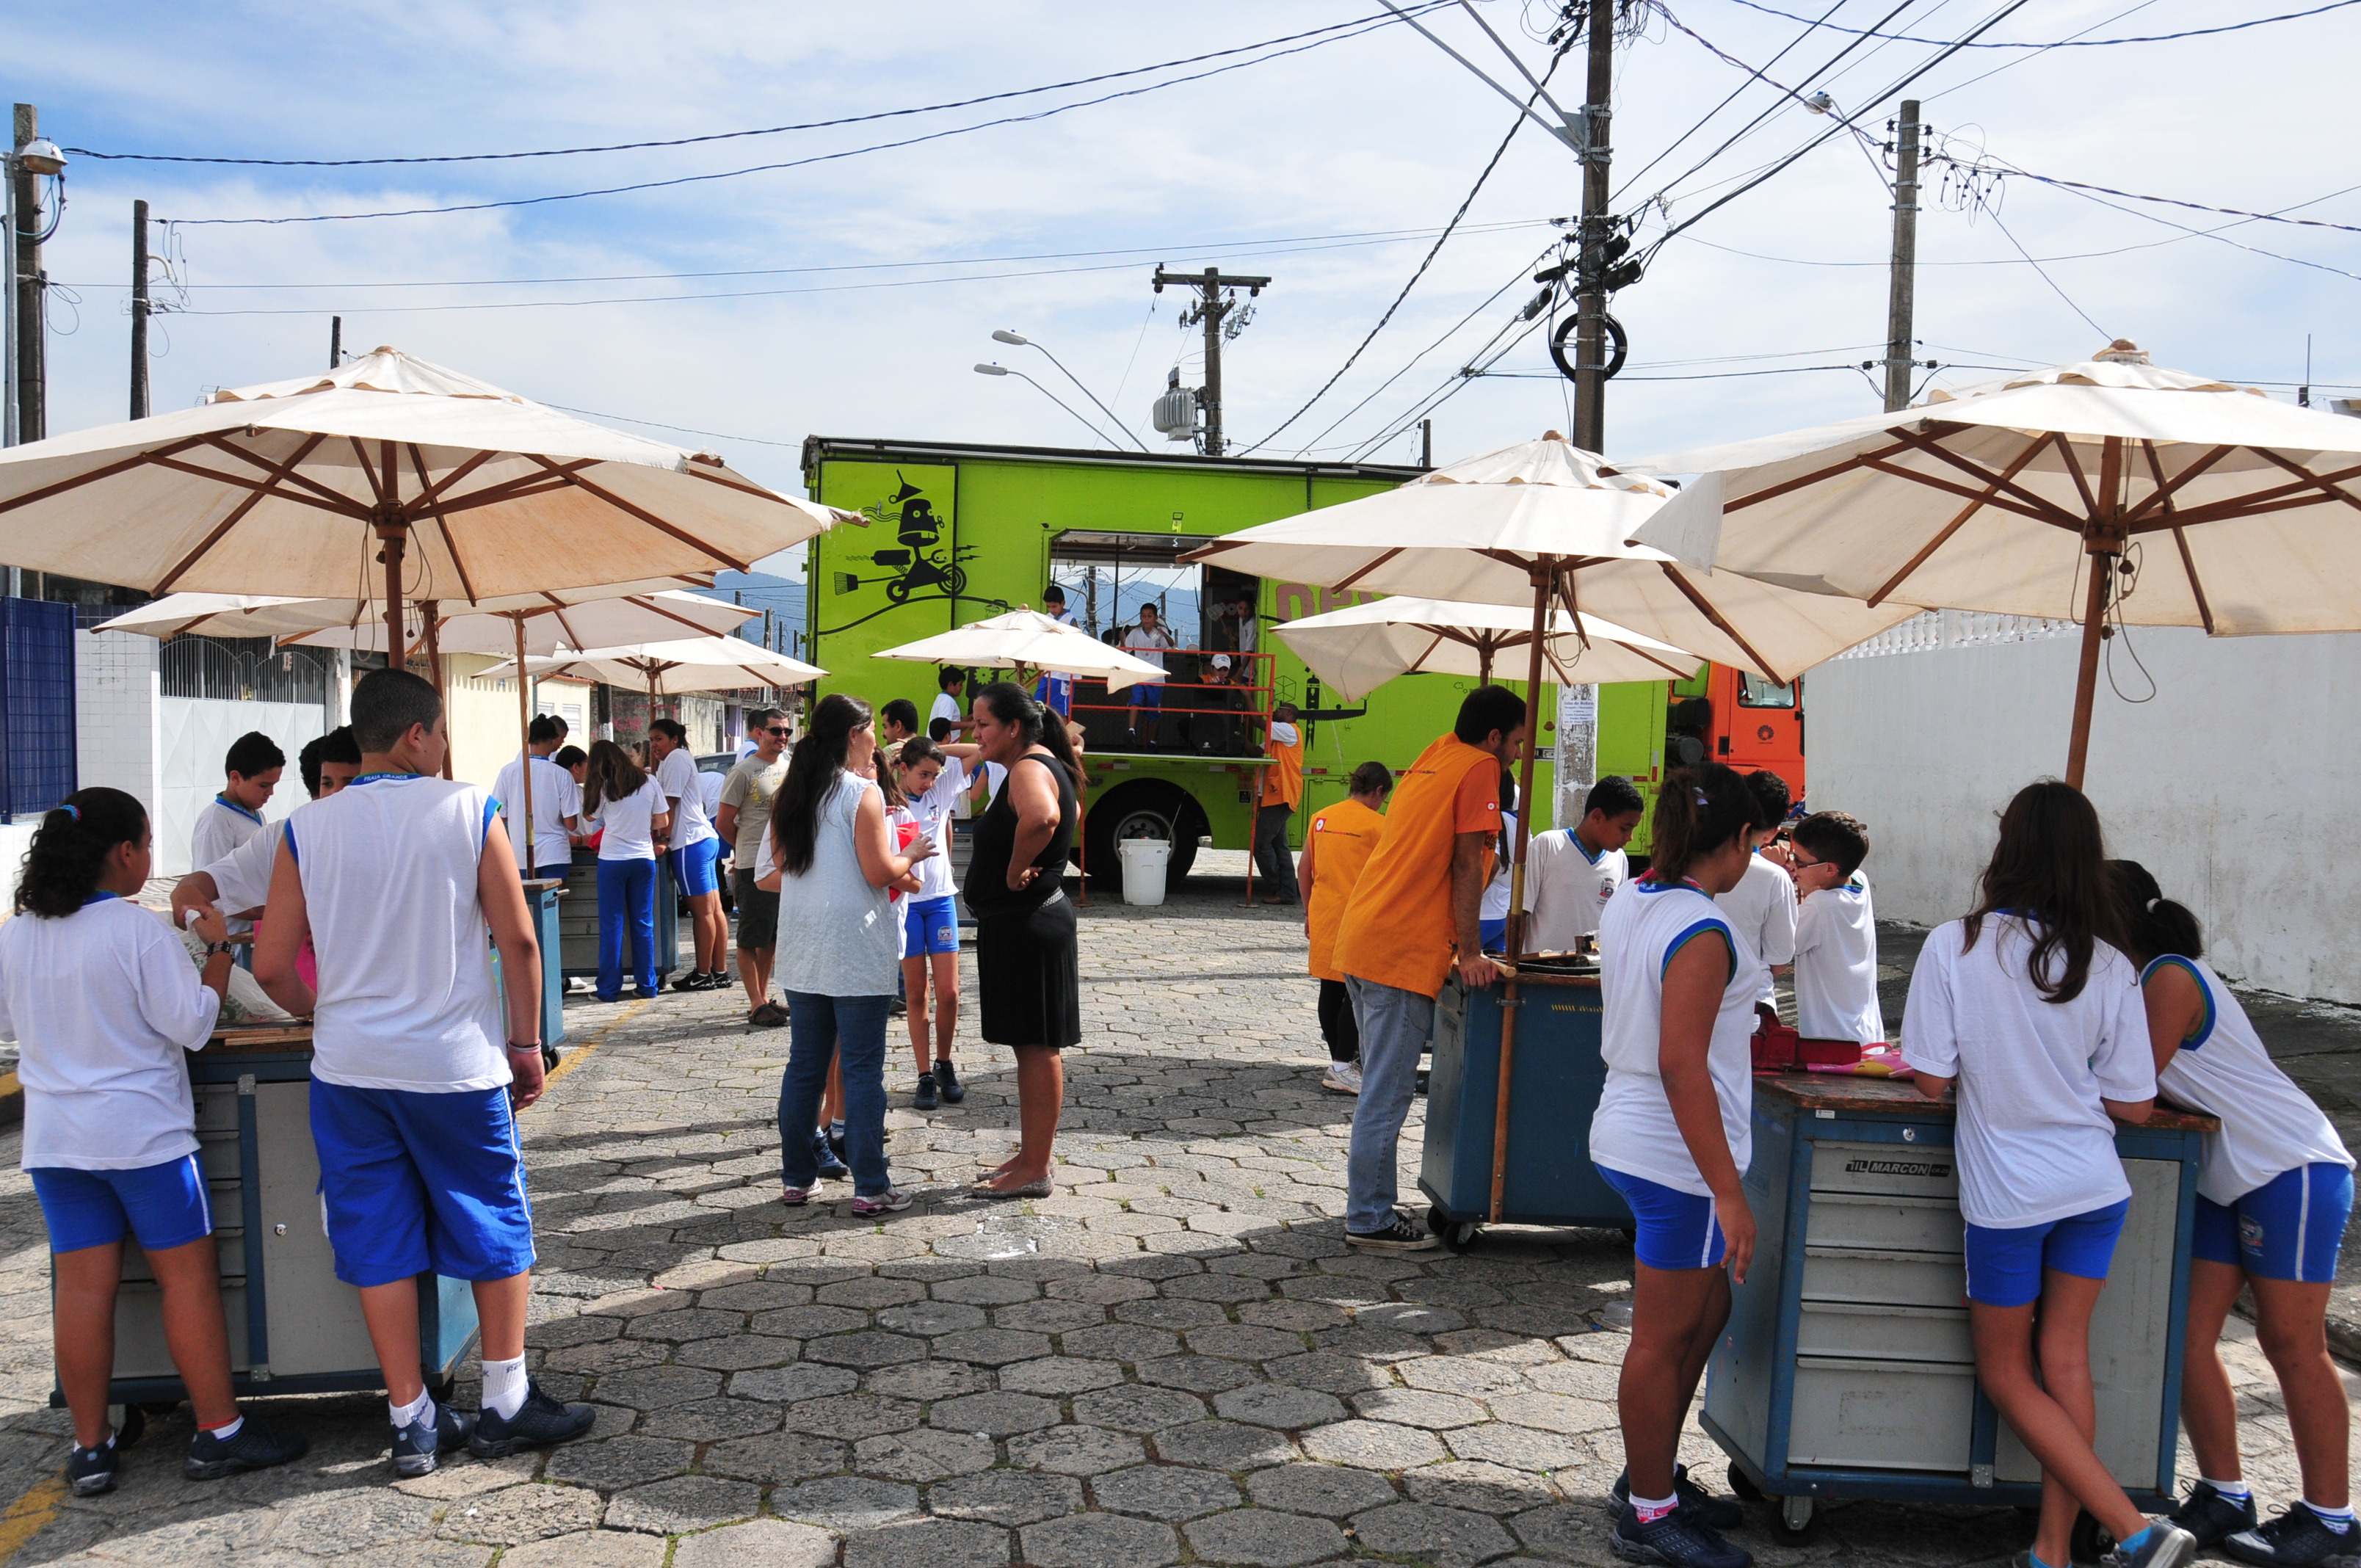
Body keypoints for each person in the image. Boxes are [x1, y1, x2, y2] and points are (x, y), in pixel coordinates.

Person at [254, 668, 594, 1478]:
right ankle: (505, 1400)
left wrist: (322, 1013)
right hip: (453, 1068)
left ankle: (410, 1419)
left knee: (377, 1236)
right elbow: (519, 940)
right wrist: (524, 1044)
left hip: (349, 1071)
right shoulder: (468, 809)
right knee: (490, 1218)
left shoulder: (306, 827)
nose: (444, 746)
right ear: (416, 734)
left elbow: (269, 966)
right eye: (441, 732)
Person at [1900, 782, 2192, 1568]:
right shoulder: (2111, 963)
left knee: (2006, 1373)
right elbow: (2134, 1104)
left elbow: (1930, 1078)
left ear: (2008, 849)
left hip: (2008, 1197)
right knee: (2064, 1361)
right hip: (2094, 1189)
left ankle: (2135, 1531)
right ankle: (2051, 1551)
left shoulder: (1955, 945)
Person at [1, 788, 307, 1494]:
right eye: (144, 844)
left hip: (57, 1144)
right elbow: (193, 1024)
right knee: (188, 1281)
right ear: (125, 854)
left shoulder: (18, 934)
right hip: (145, 1141)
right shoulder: (136, 932)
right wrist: (220, 950)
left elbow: (11, 1024)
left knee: (82, 1291)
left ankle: (90, 1447)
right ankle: (219, 1430)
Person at [2112, 860, 2357, 1565]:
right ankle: (2225, 1494)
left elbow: (2127, 1087)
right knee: (2186, 1337)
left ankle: (2332, 1520)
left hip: (2289, 1168)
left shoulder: (2169, 976)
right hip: (2228, 1177)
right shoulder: (2133, 981)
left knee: (2291, 1342)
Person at [1589, 763, 1767, 1567]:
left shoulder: (1634, 897)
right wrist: (1728, 1192)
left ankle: (1648, 1472)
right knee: (1661, 1340)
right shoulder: (1701, 927)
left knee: (1707, 1310)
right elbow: (1681, 1064)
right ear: (1738, 839)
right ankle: (1649, 1512)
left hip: (1633, 1133)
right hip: (1678, 1160)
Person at [1331, 685, 1526, 1252]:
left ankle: (1371, 1204)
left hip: (1367, 938)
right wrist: (1472, 953)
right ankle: (1368, 1218)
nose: (1518, 754)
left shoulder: (1437, 753)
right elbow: (1466, 864)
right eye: (1516, 743)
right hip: (1400, 951)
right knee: (1386, 1093)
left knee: (1379, 1087)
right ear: (1494, 737)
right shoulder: (1481, 767)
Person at [759, 693, 934, 1215]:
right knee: (860, 1071)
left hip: (803, 944)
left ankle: (797, 1178)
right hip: (854, 945)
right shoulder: (861, 792)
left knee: (805, 1068)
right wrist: (911, 853)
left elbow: (779, 867)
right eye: (872, 729)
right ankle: (871, 1186)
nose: (878, 739)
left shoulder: (791, 792)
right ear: (854, 734)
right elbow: (878, 871)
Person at [965, 680, 1084, 1198]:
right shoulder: (1040, 761)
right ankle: (1033, 1154)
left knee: (1036, 1047)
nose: (976, 733)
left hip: (1027, 923)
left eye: (983, 724)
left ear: (1013, 728)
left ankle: (1036, 1167)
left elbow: (1043, 818)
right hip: (1026, 922)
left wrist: (1015, 870)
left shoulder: (1028, 769)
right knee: (1030, 1045)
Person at [893, 735, 982, 1111]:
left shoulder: (940, 792)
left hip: (941, 901)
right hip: (907, 905)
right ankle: (923, 1075)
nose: (929, 782)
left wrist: (934, 750)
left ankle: (944, 1063)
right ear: (903, 768)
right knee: (917, 994)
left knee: (949, 993)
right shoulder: (886, 801)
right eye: (923, 774)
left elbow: (979, 751)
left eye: (934, 775)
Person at [1299, 761, 1391, 1096]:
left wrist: (1309, 911)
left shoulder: (1321, 818)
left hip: (1324, 914)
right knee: (1356, 996)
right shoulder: (1380, 826)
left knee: (1330, 989)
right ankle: (1342, 1066)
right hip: (1359, 919)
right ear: (1378, 791)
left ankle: (1342, 1062)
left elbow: (1304, 869)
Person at [716, 707, 791, 1028]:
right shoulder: (743, 771)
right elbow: (724, 821)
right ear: (759, 732)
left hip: (783, 865)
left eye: (787, 731)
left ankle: (762, 997)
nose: (782, 737)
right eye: (776, 731)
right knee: (749, 937)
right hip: (752, 866)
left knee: (771, 937)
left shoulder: (790, 767)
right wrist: (746, 850)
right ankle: (755, 1002)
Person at [581, 740, 670, 1003]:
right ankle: (647, 985)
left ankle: (608, 989)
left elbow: (589, 816)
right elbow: (663, 820)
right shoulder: (649, 781)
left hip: (612, 860)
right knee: (643, 923)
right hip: (643, 858)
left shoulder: (604, 786)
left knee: (612, 925)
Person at [1788, 810, 1884, 1045]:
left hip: (1832, 1040)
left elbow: (1777, 944)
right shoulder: (1859, 880)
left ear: (1831, 869)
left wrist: (1777, 879)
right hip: (1866, 1032)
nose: (1792, 866)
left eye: (1799, 861)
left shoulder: (1820, 906)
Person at [1524, 776, 1644, 954]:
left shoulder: (1619, 859)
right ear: (1597, 816)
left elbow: (1616, 922)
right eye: (1624, 828)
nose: (1630, 837)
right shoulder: (1548, 845)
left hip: (1592, 969)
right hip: (1543, 967)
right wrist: (1515, 963)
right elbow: (1520, 911)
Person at [649, 719, 727, 992]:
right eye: (651, 740)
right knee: (714, 910)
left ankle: (703, 973)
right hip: (703, 839)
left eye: (659, 739)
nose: (654, 745)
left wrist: (662, 839)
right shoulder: (677, 760)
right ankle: (719, 971)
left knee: (702, 912)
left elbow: (669, 805)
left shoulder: (675, 759)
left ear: (674, 739)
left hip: (688, 842)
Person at [1713, 771, 1799, 1016]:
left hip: (1690, 1000)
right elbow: (1779, 961)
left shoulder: (1694, 863)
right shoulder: (1774, 877)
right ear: (1772, 832)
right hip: (1752, 1003)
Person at [191, 732, 286, 935]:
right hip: (230, 936)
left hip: (256, 930)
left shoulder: (256, 814)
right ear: (236, 777)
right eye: (264, 785)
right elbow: (211, 892)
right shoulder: (215, 820)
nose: (270, 792)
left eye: (274, 785)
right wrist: (274, 912)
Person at [493, 715, 582, 882]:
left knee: (526, 898)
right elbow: (571, 824)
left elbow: (500, 815)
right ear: (552, 740)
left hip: (521, 853)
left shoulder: (508, 772)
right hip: (554, 853)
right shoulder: (562, 775)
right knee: (553, 898)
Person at [1252, 702, 1305, 905]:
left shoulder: (1289, 731)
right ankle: (1288, 892)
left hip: (1281, 794)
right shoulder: (1278, 737)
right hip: (1277, 795)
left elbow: (1259, 722)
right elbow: (1254, 751)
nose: (1274, 712)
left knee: (1262, 845)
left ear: (1289, 713)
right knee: (1280, 847)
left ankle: (1279, 888)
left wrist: (1247, 697)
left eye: (1278, 710)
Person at [1122, 603, 1180, 746]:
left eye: (1149, 616)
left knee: (1154, 710)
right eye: (1144, 616)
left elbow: (1171, 644)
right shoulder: (1135, 633)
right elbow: (1126, 649)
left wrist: (1164, 634)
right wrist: (1122, 639)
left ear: (1155, 618)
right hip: (1140, 674)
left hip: (1156, 677)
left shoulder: (1161, 632)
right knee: (1136, 699)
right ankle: (1131, 730)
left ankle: (1153, 741)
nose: (1146, 619)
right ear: (1140, 618)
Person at [1477, 768, 1519, 951]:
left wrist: (1470, 899)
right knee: (1496, 967)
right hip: (1504, 912)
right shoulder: (1520, 823)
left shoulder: (1491, 819)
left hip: (1483, 914)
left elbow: (1492, 864)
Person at [930, 668, 970, 740]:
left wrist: (973, 717)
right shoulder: (947, 700)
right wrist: (970, 725)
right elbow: (944, 725)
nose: (962, 688)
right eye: (960, 684)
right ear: (951, 684)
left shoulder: (944, 698)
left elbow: (957, 722)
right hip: (944, 745)